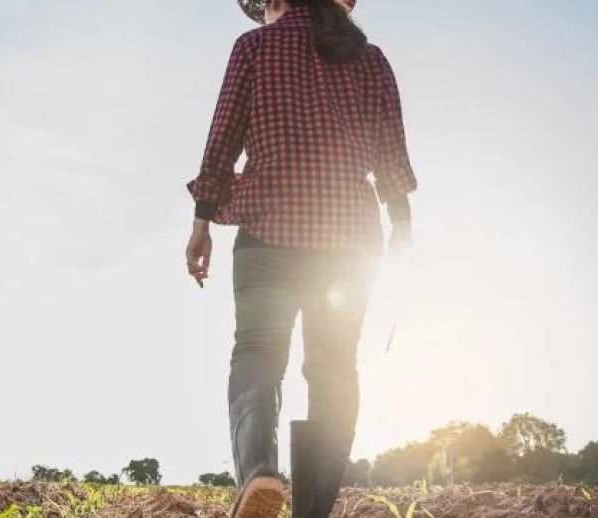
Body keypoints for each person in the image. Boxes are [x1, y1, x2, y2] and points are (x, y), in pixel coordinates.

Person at [184, 0, 417, 516]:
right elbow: (391, 155)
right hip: (351, 241)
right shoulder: (371, 60)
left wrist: (202, 221)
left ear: (273, 2)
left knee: (257, 353)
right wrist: (401, 228)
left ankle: (259, 474)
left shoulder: (255, 47)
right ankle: (311, 511)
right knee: (333, 370)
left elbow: (222, 141)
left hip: (268, 231)